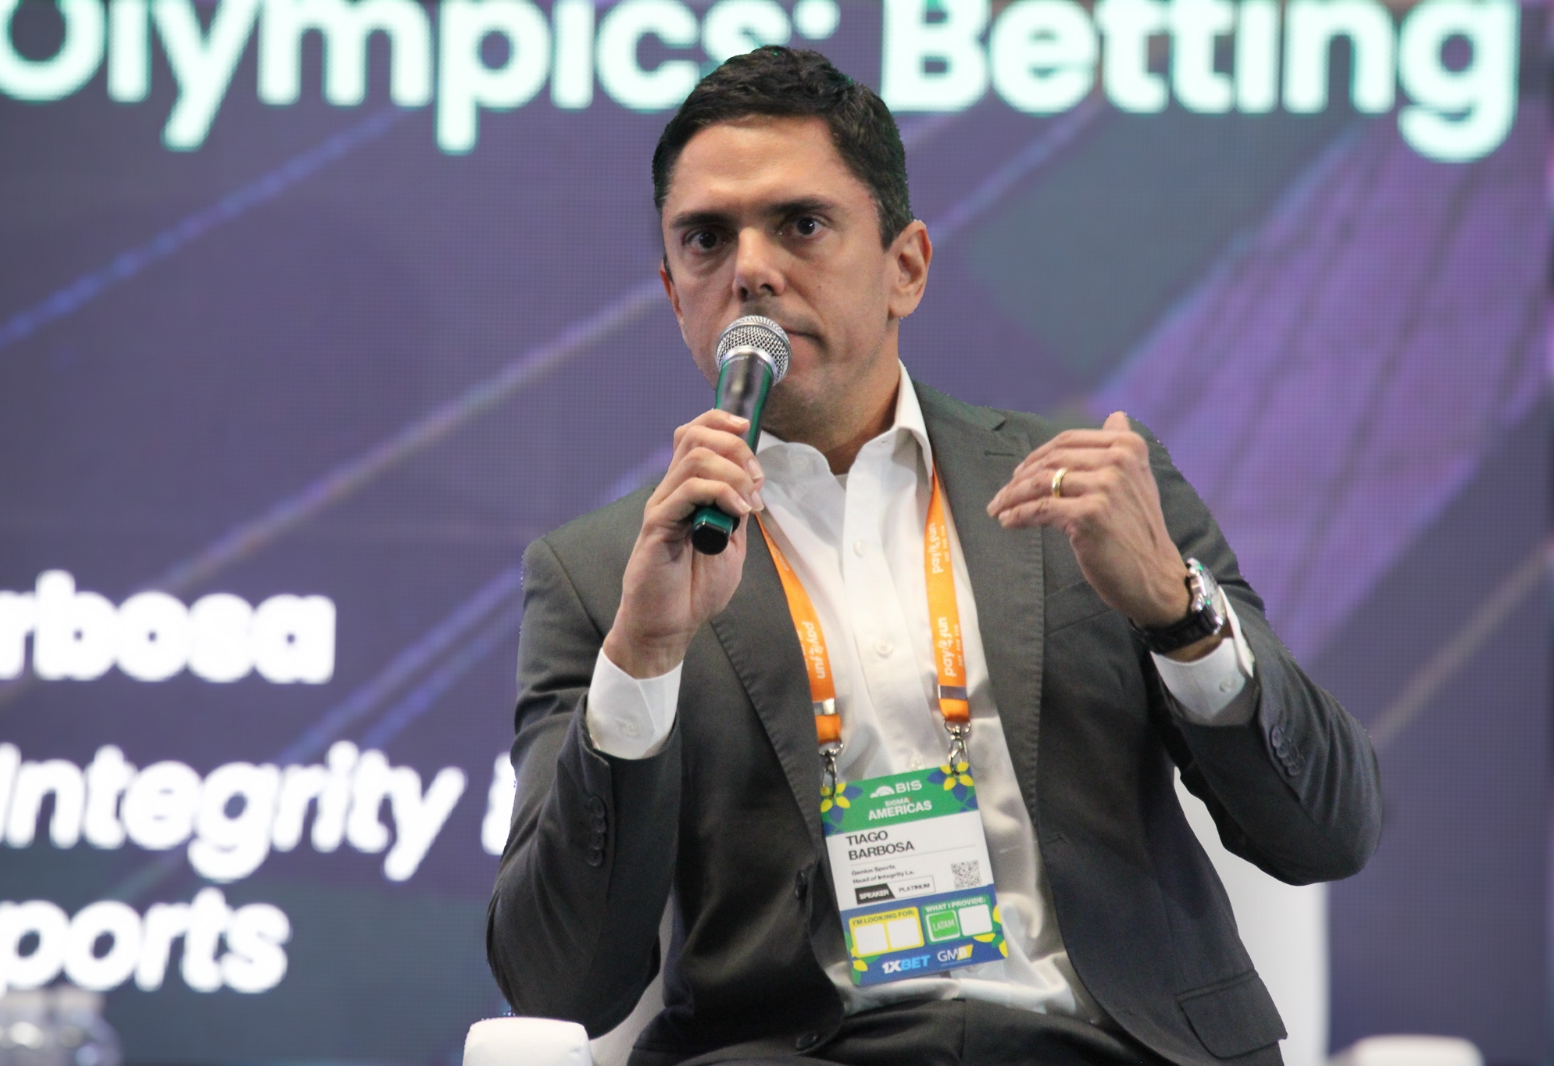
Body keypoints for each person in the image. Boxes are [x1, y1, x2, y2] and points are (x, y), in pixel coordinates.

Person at [487, 47, 1380, 1066]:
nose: (751, 270)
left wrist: (1182, 618)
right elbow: (558, 981)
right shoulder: (603, 577)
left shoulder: (1091, 489)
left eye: (801, 225)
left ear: (905, 267)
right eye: (706, 240)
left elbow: (1326, 830)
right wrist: (643, 659)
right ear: (674, 292)